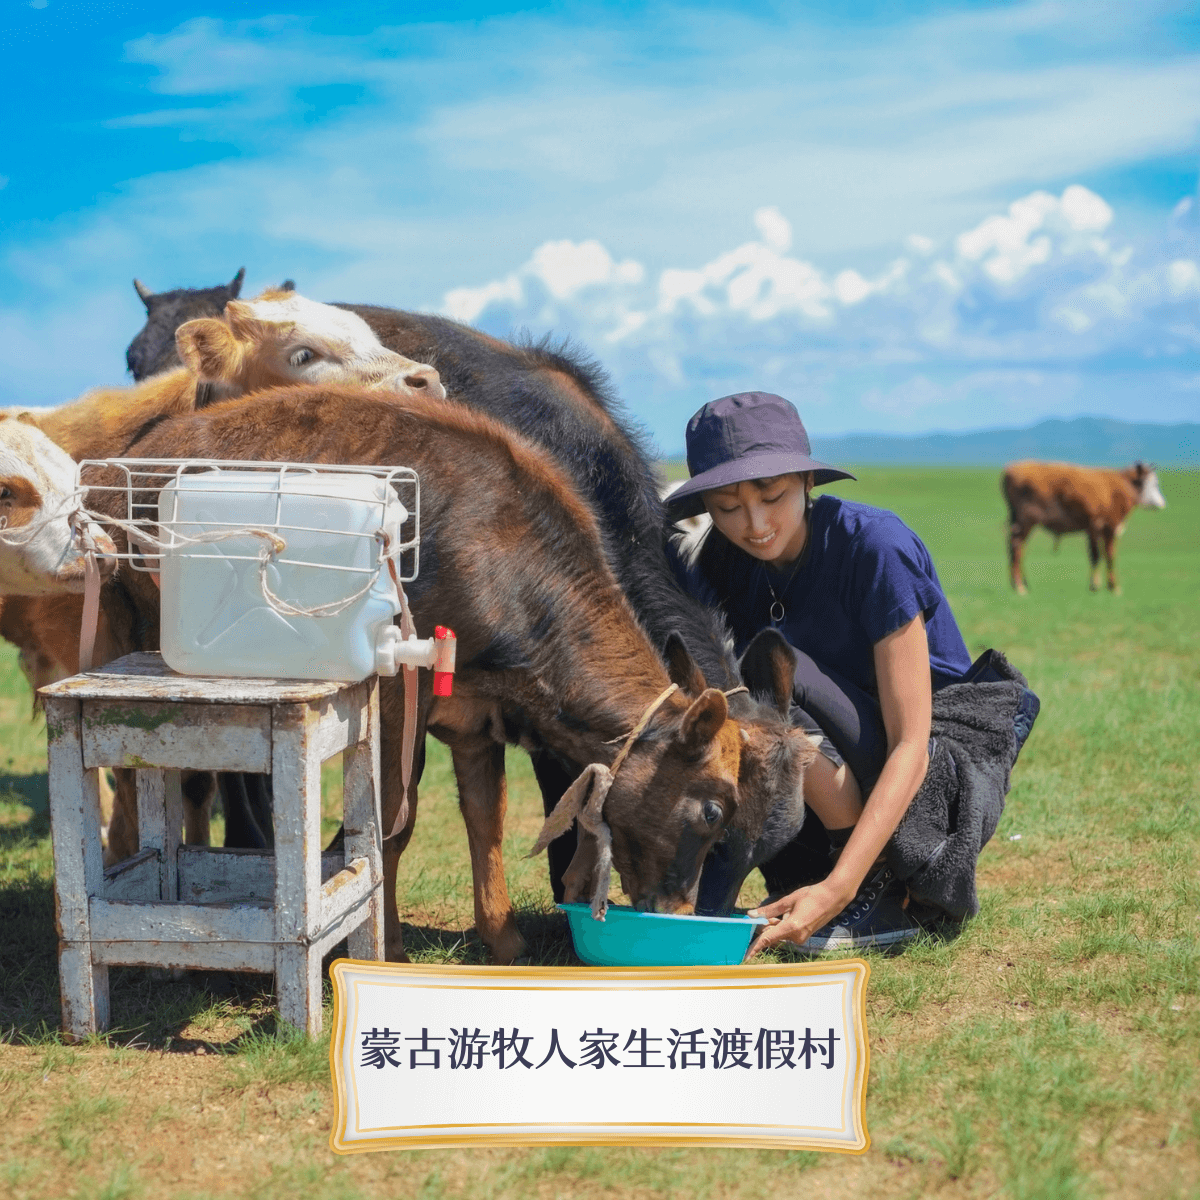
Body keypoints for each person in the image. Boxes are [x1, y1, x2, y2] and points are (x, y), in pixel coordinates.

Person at [664, 392, 1038, 958]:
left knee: (767, 667)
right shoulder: (724, 560)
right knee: (726, 690)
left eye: (772, 496)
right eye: (727, 506)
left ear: (808, 481)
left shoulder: (875, 547)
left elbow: (912, 743)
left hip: (933, 772)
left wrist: (839, 890)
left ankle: (873, 886)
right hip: (821, 767)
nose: (756, 524)